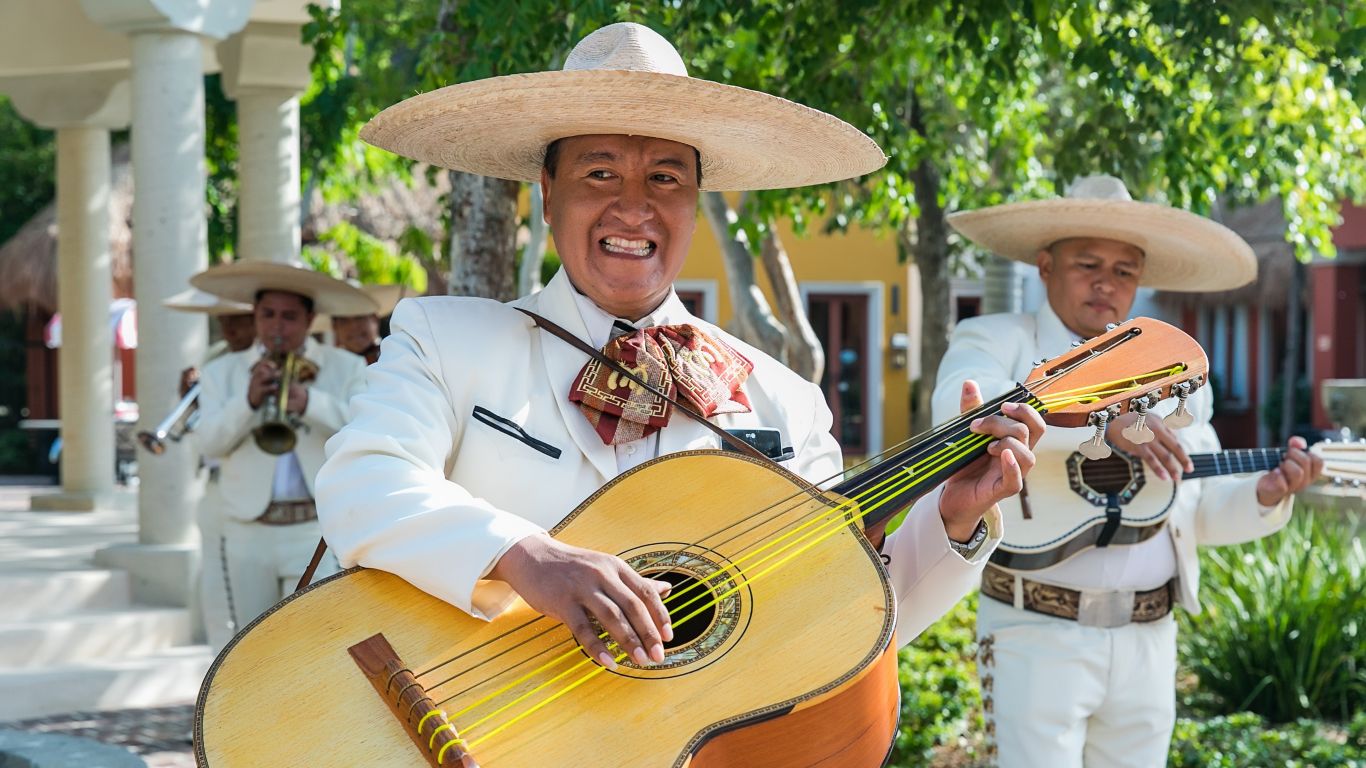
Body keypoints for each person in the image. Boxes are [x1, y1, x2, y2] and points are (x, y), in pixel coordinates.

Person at [316, 22, 1044, 681]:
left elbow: (839, 627)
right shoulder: (447, 339)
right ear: (547, 191)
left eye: (665, 177)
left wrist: (951, 519)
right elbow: (360, 484)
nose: (634, 206)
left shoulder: (781, 401)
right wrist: (525, 555)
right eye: (600, 172)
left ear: (694, 201)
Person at [935, 175, 1324, 767]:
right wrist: (1100, 417)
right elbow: (961, 411)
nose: (1105, 283)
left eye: (1124, 270)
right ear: (1045, 265)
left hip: (1149, 634)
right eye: (1087, 263)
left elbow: (1196, 509)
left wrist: (1265, 494)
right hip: (1033, 630)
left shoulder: (1179, 376)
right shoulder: (993, 339)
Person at [190, 261, 375, 647]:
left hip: (315, 527)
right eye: (268, 315)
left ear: (310, 320)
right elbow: (207, 443)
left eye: (289, 317)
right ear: (255, 317)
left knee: (316, 643)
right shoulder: (221, 372)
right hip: (247, 528)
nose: (277, 327)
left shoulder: (347, 368)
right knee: (251, 646)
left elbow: (366, 431)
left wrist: (310, 402)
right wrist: (247, 402)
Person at [161, 287, 257, 650]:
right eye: (224, 320)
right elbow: (201, 435)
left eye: (238, 320)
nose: (229, 328)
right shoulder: (213, 360)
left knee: (250, 595)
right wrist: (186, 401)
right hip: (215, 485)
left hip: (251, 488)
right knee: (216, 590)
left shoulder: (267, 365)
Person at [330, 283, 405, 364]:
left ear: (374, 319)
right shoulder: (328, 365)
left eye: (359, 317)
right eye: (344, 321)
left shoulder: (395, 357)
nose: (353, 326)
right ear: (335, 327)